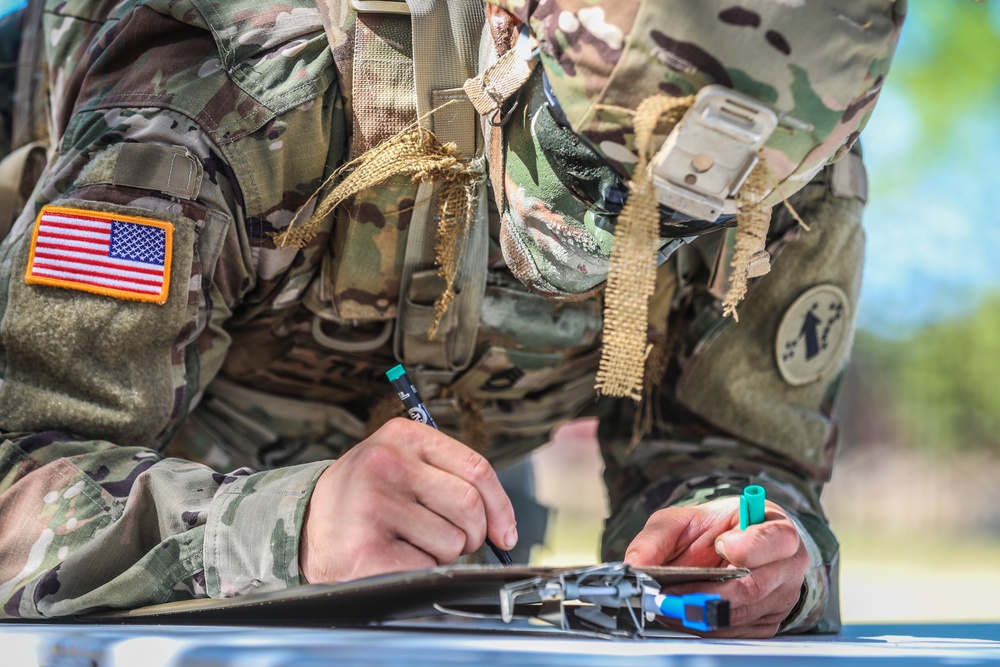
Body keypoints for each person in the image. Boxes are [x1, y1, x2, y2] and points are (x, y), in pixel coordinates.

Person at [0, 0, 903, 637]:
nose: (619, 236)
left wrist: (750, 548)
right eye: (587, 168)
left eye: (686, 217)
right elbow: (17, 486)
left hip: (454, 530)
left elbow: (739, 456)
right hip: (175, 498)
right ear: (514, 33)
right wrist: (292, 526)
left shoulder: (785, 160)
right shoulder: (224, 84)